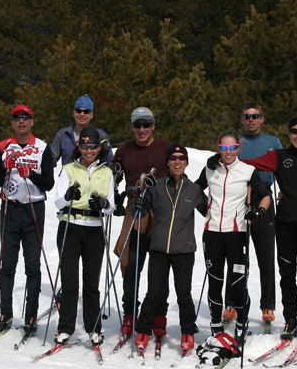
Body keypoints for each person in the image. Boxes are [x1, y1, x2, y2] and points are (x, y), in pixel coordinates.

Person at [241, 114, 297, 341]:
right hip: (286, 223)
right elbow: (249, 163)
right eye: (295, 131)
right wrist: (222, 159)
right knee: (287, 275)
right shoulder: (278, 156)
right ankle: (291, 320)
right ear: (289, 134)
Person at [196, 131, 271, 344]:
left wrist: (259, 212)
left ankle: (242, 323)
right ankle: (216, 325)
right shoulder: (210, 169)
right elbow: (194, 189)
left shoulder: (247, 170)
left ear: (238, 148)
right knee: (215, 280)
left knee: (238, 282)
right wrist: (203, 207)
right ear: (219, 147)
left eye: (232, 148)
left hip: (237, 234)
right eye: (224, 148)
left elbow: (265, 195)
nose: (228, 152)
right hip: (212, 234)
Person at [133, 144, 207, 354]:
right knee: (154, 292)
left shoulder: (194, 190)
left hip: (184, 250)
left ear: (186, 162)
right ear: (167, 162)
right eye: (173, 158)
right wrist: (137, 204)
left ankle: (187, 332)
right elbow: (140, 208)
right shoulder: (156, 187)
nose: (177, 161)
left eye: (181, 158)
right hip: (158, 249)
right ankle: (143, 331)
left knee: (183, 294)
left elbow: (210, 211)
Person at [0, 105, 55, 334]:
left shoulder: (43, 148)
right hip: (10, 209)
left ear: (32, 122)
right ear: (12, 123)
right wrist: (3, 167)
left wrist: (32, 174)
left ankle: (31, 315)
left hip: (34, 209)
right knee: (7, 264)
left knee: (32, 265)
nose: (21, 122)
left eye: (25, 118)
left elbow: (49, 183)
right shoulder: (3, 146)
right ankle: (6, 313)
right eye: (17, 118)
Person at [111, 107, 172, 341]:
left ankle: (159, 313)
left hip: (160, 210)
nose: (142, 130)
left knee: (159, 266)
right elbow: (113, 177)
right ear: (132, 127)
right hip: (135, 208)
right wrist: (114, 197)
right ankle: (129, 313)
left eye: (146, 124)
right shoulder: (124, 150)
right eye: (138, 125)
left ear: (153, 125)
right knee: (132, 264)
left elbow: (178, 170)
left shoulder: (165, 148)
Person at [52, 127, 115, 346]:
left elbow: (111, 206)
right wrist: (68, 196)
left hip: (94, 229)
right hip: (70, 225)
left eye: (93, 147)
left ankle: (94, 328)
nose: (89, 151)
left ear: (99, 148)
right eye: (85, 146)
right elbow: (58, 201)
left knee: (91, 283)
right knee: (69, 282)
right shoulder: (68, 169)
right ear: (79, 147)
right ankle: (65, 328)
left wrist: (104, 204)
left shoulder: (106, 172)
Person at [236, 102, 282, 326]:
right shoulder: (236, 142)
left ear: (262, 118)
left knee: (266, 255)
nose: (251, 120)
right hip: (239, 200)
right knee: (236, 256)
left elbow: (283, 167)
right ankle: (232, 302)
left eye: (255, 116)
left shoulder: (272, 142)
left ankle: (268, 306)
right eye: (247, 116)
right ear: (242, 119)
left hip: (264, 199)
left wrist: (284, 190)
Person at [49, 94, 112, 167]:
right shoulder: (63, 134)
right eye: (78, 111)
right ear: (74, 113)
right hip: (69, 177)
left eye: (86, 112)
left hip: (93, 177)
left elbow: (109, 161)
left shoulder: (101, 134)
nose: (82, 114)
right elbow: (51, 159)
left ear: (91, 115)